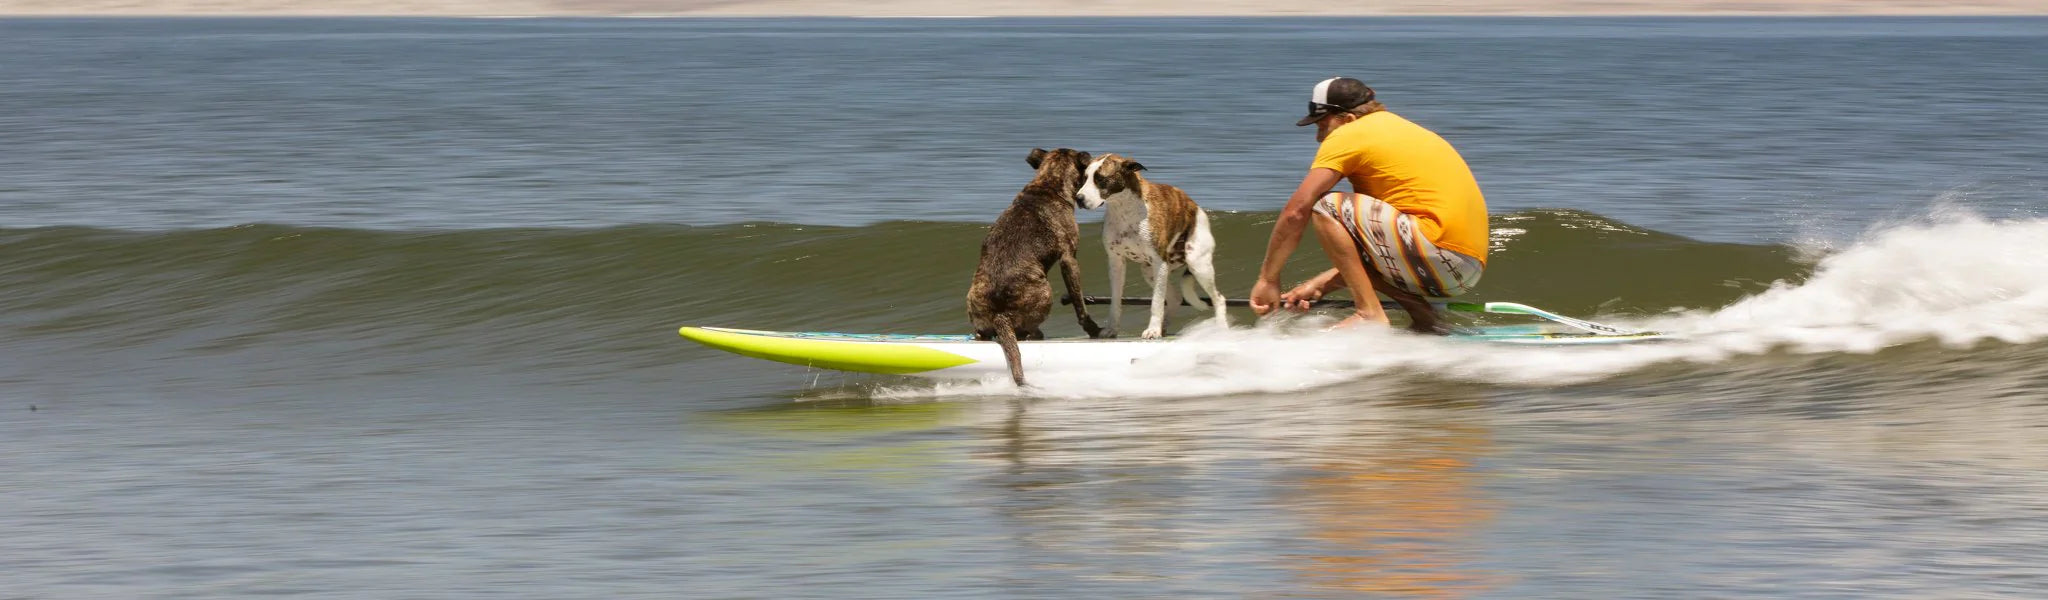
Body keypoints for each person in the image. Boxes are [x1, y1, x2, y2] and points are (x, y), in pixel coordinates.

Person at [1247, 77, 1489, 334]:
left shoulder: (1351, 134)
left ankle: (1369, 313)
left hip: (1437, 257)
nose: (1319, 137)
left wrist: (1267, 279)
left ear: (1348, 118)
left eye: (1322, 124)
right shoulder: (1401, 129)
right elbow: (1378, 250)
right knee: (1360, 240)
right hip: (1464, 267)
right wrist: (1319, 286)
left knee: (1325, 205)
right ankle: (1425, 317)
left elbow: (1295, 211)